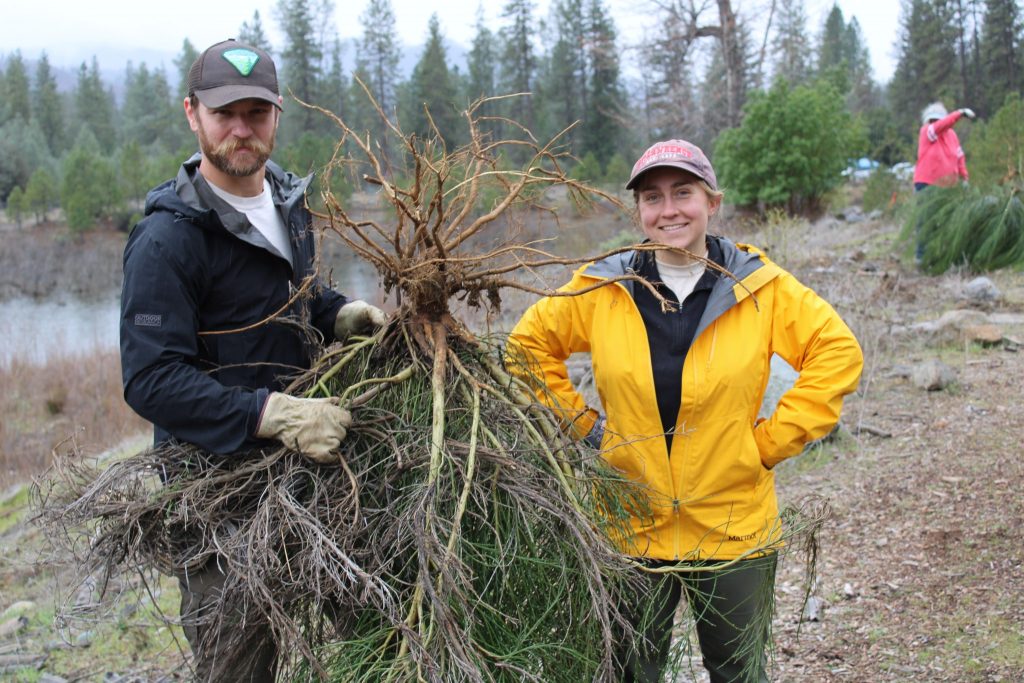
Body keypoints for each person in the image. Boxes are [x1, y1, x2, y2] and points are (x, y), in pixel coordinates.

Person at [506, 140, 863, 682]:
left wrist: (768, 444)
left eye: (683, 193)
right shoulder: (607, 285)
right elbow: (526, 349)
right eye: (653, 197)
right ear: (640, 212)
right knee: (627, 673)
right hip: (628, 523)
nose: (668, 209)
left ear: (711, 202)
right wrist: (585, 430)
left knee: (738, 672)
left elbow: (836, 352)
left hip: (733, 526)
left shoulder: (757, 284)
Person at [119, 39, 385, 682]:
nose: (241, 130)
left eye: (255, 113)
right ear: (192, 114)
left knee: (376, 642)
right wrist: (271, 414)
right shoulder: (167, 238)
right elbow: (151, 380)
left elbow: (287, 298)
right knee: (239, 668)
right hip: (217, 504)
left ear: (276, 115)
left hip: (309, 483)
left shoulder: (289, 205)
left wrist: (336, 312)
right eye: (223, 114)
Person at [912, 101, 975, 261]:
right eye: (932, 119)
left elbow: (959, 156)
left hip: (947, 185)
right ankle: (922, 257)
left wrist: (964, 176)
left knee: (945, 220)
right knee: (926, 220)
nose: (935, 122)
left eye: (937, 119)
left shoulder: (952, 135)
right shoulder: (927, 131)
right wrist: (959, 113)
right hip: (926, 184)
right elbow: (939, 127)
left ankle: (942, 256)